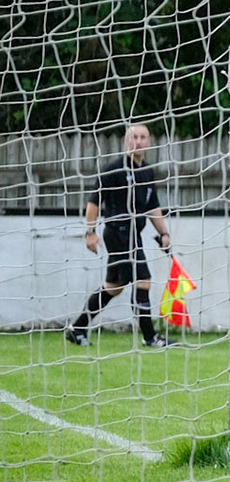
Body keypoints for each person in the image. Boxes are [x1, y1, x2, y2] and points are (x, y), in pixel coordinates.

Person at [66, 124, 173, 349]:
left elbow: (153, 207)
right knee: (143, 280)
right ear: (127, 141)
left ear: (149, 141)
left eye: (144, 137)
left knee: (113, 287)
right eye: (135, 137)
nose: (139, 141)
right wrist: (90, 232)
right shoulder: (113, 169)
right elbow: (94, 201)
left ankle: (77, 328)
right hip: (117, 233)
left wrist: (164, 233)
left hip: (133, 235)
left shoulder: (147, 171)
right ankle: (150, 337)